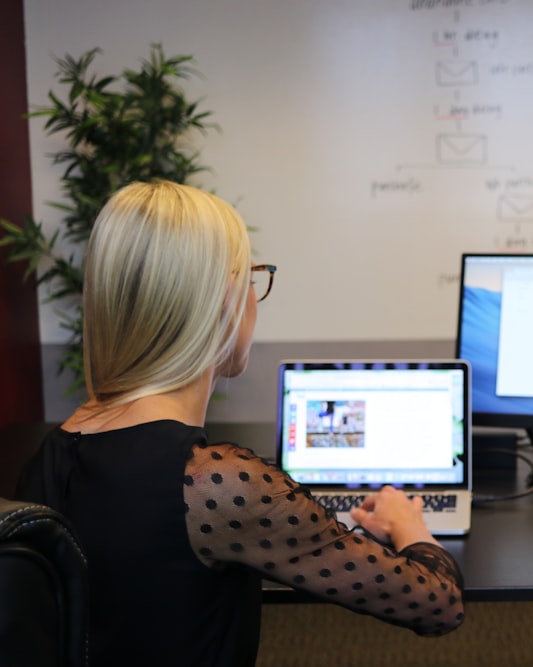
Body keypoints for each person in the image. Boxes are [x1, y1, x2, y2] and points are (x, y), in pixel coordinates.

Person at [16, 181, 464, 666]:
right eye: (252, 278)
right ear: (225, 300)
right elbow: (438, 604)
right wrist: (410, 526)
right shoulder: (219, 485)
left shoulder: (47, 457)